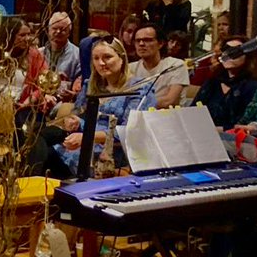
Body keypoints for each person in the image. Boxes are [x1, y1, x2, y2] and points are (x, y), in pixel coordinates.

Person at [49, 36, 158, 178]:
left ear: (122, 58)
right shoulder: (90, 85)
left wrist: (87, 138)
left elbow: (128, 132)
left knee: (49, 158)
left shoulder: (140, 88)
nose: (101, 63)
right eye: (96, 58)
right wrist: (74, 121)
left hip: (114, 153)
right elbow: (78, 113)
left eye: (107, 57)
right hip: (84, 145)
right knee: (42, 145)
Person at [0, 18, 49, 113]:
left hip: (24, 109)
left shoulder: (35, 56)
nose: (27, 38)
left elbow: (42, 86)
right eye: (22, 35)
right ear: (9, 36)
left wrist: (27, 103)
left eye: (29, 34)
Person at [194, 37, 257, 131]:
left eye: (235, 50)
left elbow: (246, 122)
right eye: (225, 49)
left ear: (248, 56)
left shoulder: (254, 87)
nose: (229, 54)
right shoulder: (212, 82)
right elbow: (193, 111)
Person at [127, 23, 189, 109]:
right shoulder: (130, 68)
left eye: (147, 40)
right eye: (137, 40)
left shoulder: (176, 65)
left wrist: (135, 104)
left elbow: (169, 101)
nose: (141, 44)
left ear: (160, 43)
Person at [39, 11, 81, 100]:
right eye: (54, 28)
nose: (58, 32)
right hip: (39, 100)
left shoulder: (77, 55)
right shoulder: (39, 54)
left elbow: (80, 87)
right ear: (48, 30)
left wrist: (73, 95)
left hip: (64, 103)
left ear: (69, 33)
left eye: (63, 29)